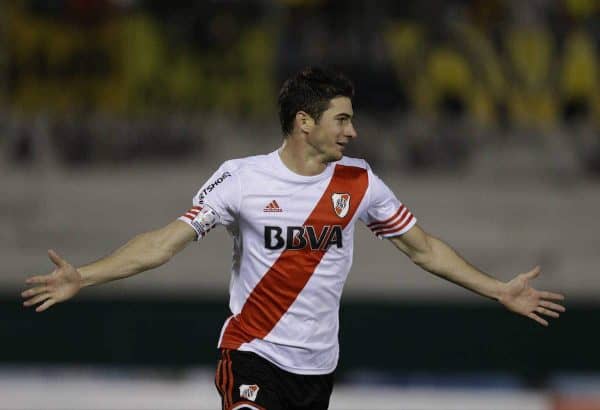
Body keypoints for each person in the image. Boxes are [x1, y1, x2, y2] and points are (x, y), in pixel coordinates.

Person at [22, 67, 566, 410]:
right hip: (252, 353)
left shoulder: (360, 182)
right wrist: (85, 275)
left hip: (318, 371)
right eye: (342, 120)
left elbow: (424, 248)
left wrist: (497, 289)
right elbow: (165, 242)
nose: (352, 132)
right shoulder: (241, 178)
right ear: (304, 122)